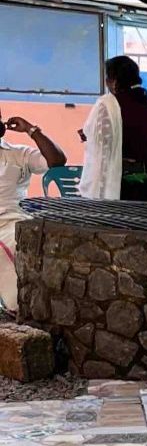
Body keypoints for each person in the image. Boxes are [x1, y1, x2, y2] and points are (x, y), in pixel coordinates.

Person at [0, 110, 66, 312]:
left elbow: (57, 160)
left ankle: (19, 308)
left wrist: (31, 129)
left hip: (14, 223)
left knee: (21, 244)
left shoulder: (18, 154)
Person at [79, 56, 147, 202]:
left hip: (120, 181)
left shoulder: (108, 104)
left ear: (113, 80)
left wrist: (89, 136)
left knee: (115, 223)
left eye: (108, 78)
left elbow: (102, 145)